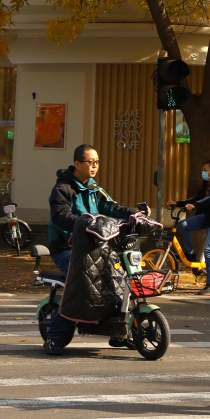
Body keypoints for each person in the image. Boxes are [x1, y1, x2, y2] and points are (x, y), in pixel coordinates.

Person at [45, 144, 132, 355]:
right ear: (77, 164)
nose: (95, 166)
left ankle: (119, 332)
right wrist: (82, 223)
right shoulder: (62, 189)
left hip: (95, 245)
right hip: (67, 248)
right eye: (91, 162)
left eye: (97, 162)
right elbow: (60, 216)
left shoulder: (94, 188)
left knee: (118, 280)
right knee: (79, 286)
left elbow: (111, 207)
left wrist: (134, 214)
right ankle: (54, 337)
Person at [167, 159, 210, 295]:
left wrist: (195, 206)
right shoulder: (207, 184)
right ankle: (191, 254)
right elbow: (197, 198)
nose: (203, 172)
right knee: (182, 225)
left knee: (208, 249)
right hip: (207, 217)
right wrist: (178, 203)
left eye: (205, 170)